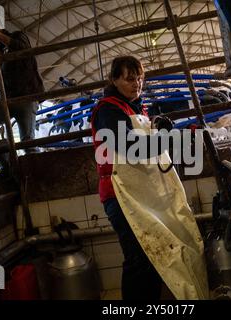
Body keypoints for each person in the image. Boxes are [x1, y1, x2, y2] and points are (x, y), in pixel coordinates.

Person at [90, 56, 208, 300]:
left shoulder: (138, 109)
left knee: (153, 257)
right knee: (138, 258)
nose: (137, 84)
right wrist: (170, 139)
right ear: (114, 80)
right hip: (120, 196)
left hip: (143, 193)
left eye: (140, 78)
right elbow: (129, 147)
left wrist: (165, 130)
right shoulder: (107, 110)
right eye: (130, 79)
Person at [0, 16, 44, 179]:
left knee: (27, 141)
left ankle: (37, 177)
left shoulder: (18, 36)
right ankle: (9, 166)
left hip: (26, 97)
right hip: (6, 101)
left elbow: (23, 51)